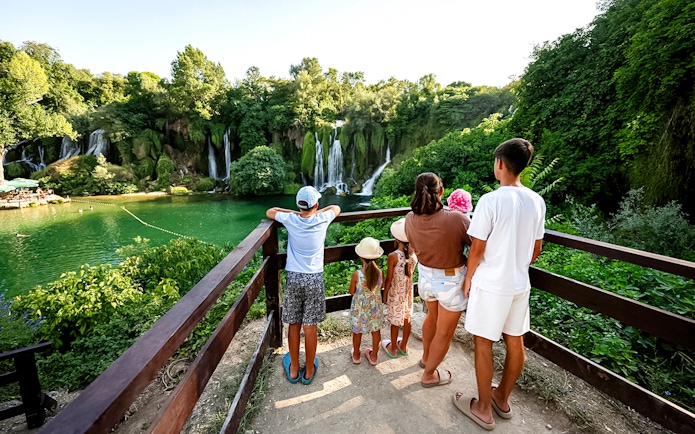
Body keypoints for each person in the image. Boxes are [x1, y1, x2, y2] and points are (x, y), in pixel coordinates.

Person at [453, 138, 546, 431]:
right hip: (519, 284)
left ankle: (482, 408)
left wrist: (468, 279)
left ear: (500, 164)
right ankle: (501, 399)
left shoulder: (490, 200)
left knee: (483, 342)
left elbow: (477, 249)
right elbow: (536, 249)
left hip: (492, 284)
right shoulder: (536, 200)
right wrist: (516, 266)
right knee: (514, 340)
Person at [266, 186, 341, 385]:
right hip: (314, 279)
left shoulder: (291, 219)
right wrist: (316, 212)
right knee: (310, 326)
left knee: (294, 323)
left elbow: (270, 211)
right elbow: (335, 207)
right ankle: (308, 370)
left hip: (294, 278)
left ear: (298, 205)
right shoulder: (322, 218)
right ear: (316, 205)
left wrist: (295, 213)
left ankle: (293, 369)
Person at [405, 172, 472, 387]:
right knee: (444, 332)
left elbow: (414, 247)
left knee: (431, 318)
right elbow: (478, 245)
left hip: (425, 278)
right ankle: (429, 375)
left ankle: (426, 359)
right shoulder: (457, 219)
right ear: (441, 192)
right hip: (451, 281)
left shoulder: (410, 218)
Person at [381, 218, 418, 359]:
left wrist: (385, 295)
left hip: (396, 293)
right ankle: (403, 345)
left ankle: (392, 349)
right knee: (407, 318)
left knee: (395, 321)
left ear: (397, 238)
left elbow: (389, 279)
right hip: (408, 292)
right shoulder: (414, 255)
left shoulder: (393, 256)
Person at [348, 237, 385, 366]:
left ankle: (357, 354)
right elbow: (381, 287)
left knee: (357, 331)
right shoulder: (380, 273)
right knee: (376, 331)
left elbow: (351, 291)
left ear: (360, 257)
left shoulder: (357, 275)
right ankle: (374, 356)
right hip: (375, 308)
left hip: (360, 309)